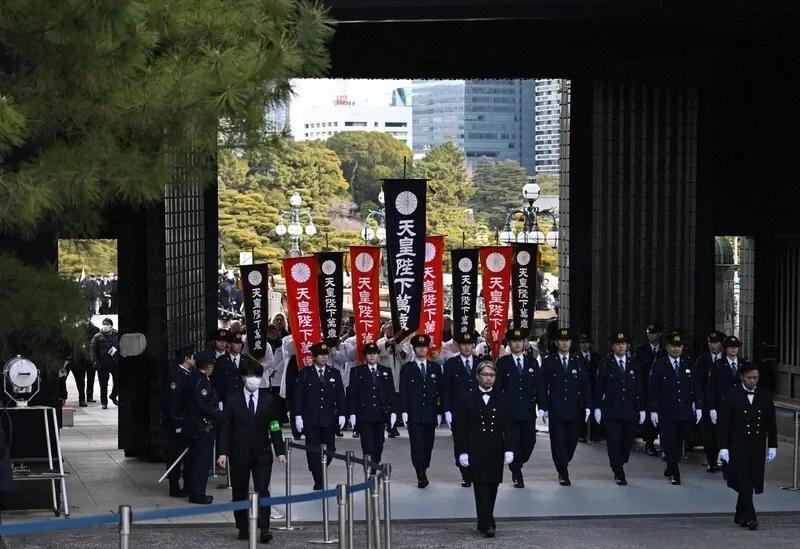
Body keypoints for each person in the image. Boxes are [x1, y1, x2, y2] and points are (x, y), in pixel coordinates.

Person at [217, 360, 287, 542]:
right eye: (250, 376)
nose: (253, 380)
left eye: (257, 376)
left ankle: (264, 528)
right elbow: (225, 428)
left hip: (262, 452)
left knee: (262, 489)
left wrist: (279, 451)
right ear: (242, 378)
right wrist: (222, 452)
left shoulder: (268, 400)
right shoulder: (233, 400)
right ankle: (242, 526)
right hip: (239, 452)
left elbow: (274, 426)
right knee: (239, 491)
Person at [453, 360, 517, 539]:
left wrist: (509, 448)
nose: (488, 379)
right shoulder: (466, 399)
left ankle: (485, 519)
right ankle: (487, 521)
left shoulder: (503, 399)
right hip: (476, 448)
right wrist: (462, 451)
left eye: (492, 375)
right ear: (477, 376)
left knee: (493, 485)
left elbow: (508, 426)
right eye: (485, 375)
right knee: (480, 486)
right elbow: (460, 428)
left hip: (496, 448)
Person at [717, 362, 778, 530]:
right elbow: (724, 424)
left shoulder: (765, 395)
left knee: (751, 481)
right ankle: (751, 516)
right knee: (743, 481)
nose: (753, 381)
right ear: (742, 376)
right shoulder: (731, 395)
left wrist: (773, 445)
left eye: (756, 378)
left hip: (757, 446)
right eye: (750, 377)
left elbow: (770, 423)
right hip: (737, 446)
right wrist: (723, 447)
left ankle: (740, 513)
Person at [648, 331, 703, 485]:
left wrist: (698, 406)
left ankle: (670, 465)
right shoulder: (659, 363)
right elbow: (653, 388)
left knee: (679, 441)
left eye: (679, 346)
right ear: (667, 347)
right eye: (673, 346)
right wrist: (653, 409)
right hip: (666, 410)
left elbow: (696, 385)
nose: (676, 349)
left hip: (684, 410)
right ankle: (675, 472)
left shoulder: (689, 363)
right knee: (669, 441)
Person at [538, 328, 591, 486]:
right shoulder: (549, 361)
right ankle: (562, 471)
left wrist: (588, 405)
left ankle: (564, 460)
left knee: (571, 441)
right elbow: (542, 385)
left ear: (571, 342)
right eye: (561, 340)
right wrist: (543, 406)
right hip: (556, 408)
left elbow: (585, 385)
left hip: (575, 408)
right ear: (556, 342)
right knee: (558, 440)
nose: (564, 343)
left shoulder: (577, 360)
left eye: (567, 340)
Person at [594, 332, 645, 485]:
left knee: (627, 441)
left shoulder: (634, 363)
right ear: (613, 346)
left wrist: (642, 408)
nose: (621, 347)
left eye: (623, 344)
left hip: (629, 410)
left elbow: (639, 387)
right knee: (614, 441)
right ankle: (618, 470)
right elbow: (599, 386)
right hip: (612, 410)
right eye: (618, 344)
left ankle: (620, 461)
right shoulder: (606, 362)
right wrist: (597, 407)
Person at [294, 342, 346, 490]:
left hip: (329, 418)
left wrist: (343, 413)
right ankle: (318, 478)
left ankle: (321, 470)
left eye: (326, 355)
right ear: (314, 357)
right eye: (321, 355)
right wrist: (298, 416)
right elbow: (298, 397)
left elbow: (340, 395)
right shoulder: (305, 373)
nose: (324, 358)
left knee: (330, 450)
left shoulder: (334, 373)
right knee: (313, 450)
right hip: (311, 419)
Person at [494, 328, 538, 488]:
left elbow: (538, 386)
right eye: (514, 341)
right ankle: (516, 473)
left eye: (520, 341)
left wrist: (543, 407)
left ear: (524, 343)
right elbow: (497, 388)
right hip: (509, 412)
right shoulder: (503, 363)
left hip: (527, 410)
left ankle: (519, 462)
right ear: (509, 344)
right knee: (512, 442)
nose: (518, 344)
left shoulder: (532, 362)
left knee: (529, 442)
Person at [398, 334, 443, 488]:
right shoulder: (407, 368)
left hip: (430, 412)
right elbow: (403, 391)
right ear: (414, 348)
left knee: (428, 444)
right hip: (414, 412)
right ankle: (420, 473)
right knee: (416, 444)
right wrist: (403, 411)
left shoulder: (435, 367)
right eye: (419, 347)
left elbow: (439, 391)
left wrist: (439, 411)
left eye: (424, 347)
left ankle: (424, 466)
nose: (422, 349)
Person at [347, 343, 396, 470]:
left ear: (378, 355)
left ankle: (375, 462)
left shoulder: (386, 371)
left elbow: (391, 393)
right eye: (369, 354)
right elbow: (352, 394)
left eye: (374, 353)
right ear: (365, 356)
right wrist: (352, 413)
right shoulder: (357, 371)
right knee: (367, 443)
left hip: (381, 413)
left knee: (379, 443)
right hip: (364, 414)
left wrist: (393, 412)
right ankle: (370, 467)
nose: (372, 356)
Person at [443, 331, 479, 487]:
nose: (466, 347)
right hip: (458, 411)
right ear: (458, 346)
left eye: (469, 344)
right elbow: (446, 389)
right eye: (463, 344)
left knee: (478, 441)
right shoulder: (451, 363)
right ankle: (465, 473)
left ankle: (475, 470)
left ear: (473, 345)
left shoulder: (481, 362)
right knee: (461, 441)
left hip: (478, 410)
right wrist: (447, 410)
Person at [185, 352, 221, 504]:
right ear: (209, 366)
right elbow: (202, 404)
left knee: (195, 459)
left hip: (196, 426)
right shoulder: (201, 381)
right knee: (202, 461)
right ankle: (198, 493)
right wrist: (217, 414)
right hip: (201, 426)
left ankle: (193, 490)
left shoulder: (194, 378)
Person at [163, 345, 196, 497]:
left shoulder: (190, 374)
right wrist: (177, 424)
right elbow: (172, 403)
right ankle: (174, 486)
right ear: (186, 358)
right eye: (193, 357)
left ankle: (188, 485)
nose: (194, 359)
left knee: (188, 456)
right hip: (178, 423)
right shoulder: (176, 375)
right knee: (175, 455)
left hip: (189, 422)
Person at [696, 330, 726, 472]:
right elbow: (697, 382)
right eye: (710, 342)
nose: (712, 345)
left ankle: (726, 462)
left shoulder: (727, 359)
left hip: (724, 403)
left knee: (726, 433)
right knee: (709, 435)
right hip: (707, 403)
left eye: (715, 342)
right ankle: (712, 461)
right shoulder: (702, 360)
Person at [635, 323, 666, 456]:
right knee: (649, 417)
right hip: (646, 388)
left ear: (659, 334)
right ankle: (649, 442)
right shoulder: (641, 350)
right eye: (649, 333)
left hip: (662, 389)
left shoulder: (665, 350)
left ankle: (665, 444)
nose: (650, 336)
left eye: (653, 333)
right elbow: (637, 371)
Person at [377, 323, 412, 438]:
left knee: (396, 400)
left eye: (393, 329)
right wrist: (389, 343)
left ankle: (394, 425)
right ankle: (387, 424)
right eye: (389, 329)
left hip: (398, 374)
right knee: (385, 400)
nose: (391, 331)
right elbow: (379, 352)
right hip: (384, 373)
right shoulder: (380, 341)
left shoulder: (403, 342)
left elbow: (405, 358)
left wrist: (398, 348)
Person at [65, 320, 99, 407]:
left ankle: (82, 399)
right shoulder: (66, 332)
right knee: (61, 380)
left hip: (79, 360)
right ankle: (61, 398)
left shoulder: (83, 333)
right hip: (66, 360)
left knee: (80, 381)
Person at [90, 317, 120, 409]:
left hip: (115, 363)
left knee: (118, 382)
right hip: (102, 364)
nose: (105, 326)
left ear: (111, 326)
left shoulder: (117, 335)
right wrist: (95, 361)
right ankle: (104, 402)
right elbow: (92, 350)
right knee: (103, 385)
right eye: (104, 324)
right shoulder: (97, 336)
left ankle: (113, 395)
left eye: (107, 324)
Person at [578, 333, 603, 442]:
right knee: (582, 411)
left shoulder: (597, 357)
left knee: (594, 410)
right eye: (582, 343)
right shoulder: (575, 357)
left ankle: (593, 434)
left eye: (587, 343)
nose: (584, 345)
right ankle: (581, 434)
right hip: (581, 388)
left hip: (594, 387)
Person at [211, 331, 243, 408]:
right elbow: (217, 382)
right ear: (230, 344)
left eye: (240, 343)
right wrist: (219, 400)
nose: (238, 346)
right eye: (235, 343)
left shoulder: (246, 360)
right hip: (226, 399)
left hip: (242, 399)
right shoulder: (221, 360)